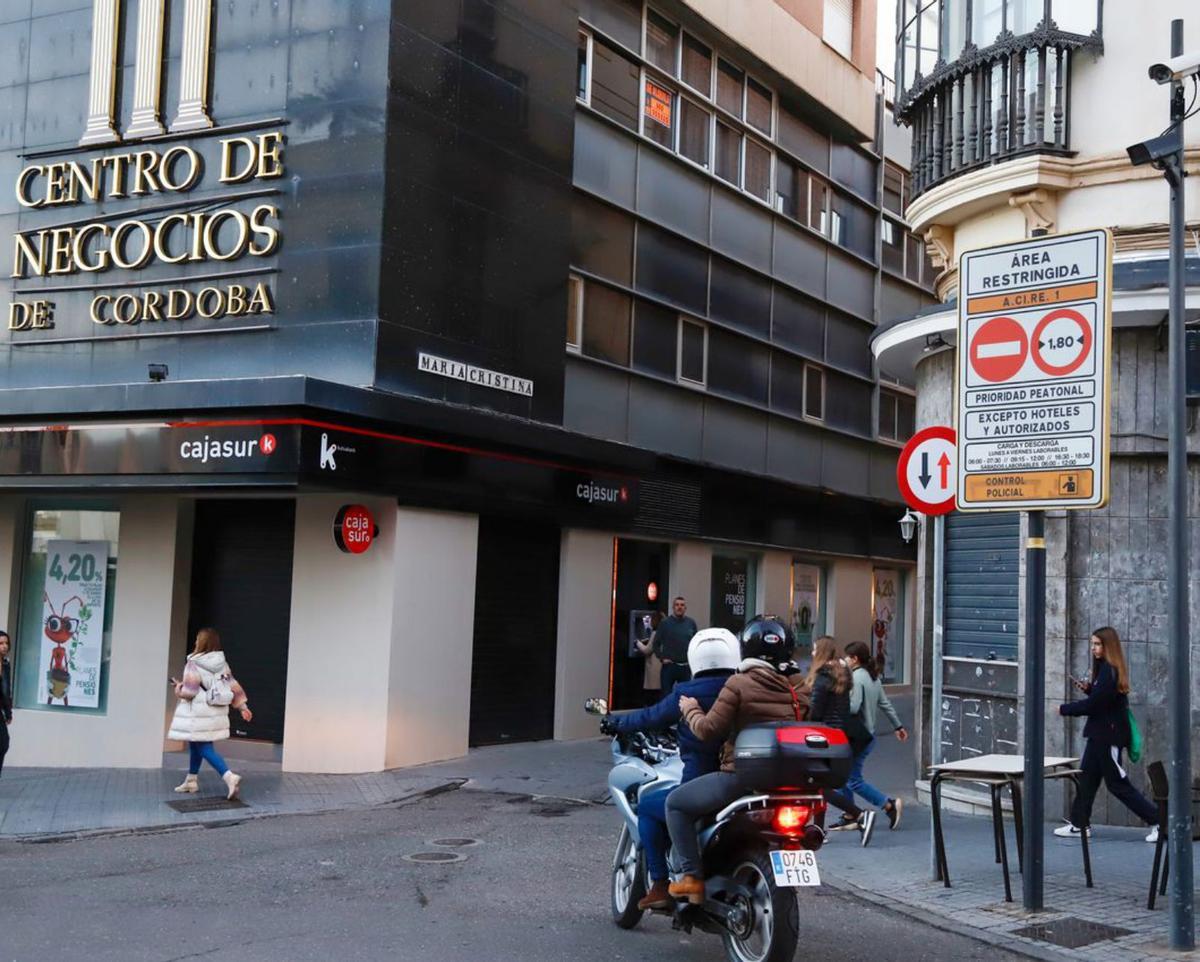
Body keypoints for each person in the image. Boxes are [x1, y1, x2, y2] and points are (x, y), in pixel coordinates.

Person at [666, 615, 810, 903]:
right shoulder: (800, 688)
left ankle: (691, 878)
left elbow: (708, 730)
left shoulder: (738, 683)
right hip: (790, 783)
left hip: (741, 779)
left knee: (676, 805)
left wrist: (691, 709)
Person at [604, 628, 739, 909]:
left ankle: (660, 884)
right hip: (747, 780)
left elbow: (651, 717)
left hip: (702, 782)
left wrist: (615, 723)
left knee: (649, 805)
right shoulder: (742, 686)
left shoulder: (687, 692)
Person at [1054, 627, 1157, 838]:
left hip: (1108, 737)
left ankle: (1158, 822)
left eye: (1098, 644)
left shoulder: (1109, 671)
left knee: (1117, 784)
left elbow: (1094, 705)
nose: (1093, 648)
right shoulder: (1105, 670)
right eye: (1092, 644)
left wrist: (1065, 709)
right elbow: (1103, 700)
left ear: (1108, 646)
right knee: (1087, 780)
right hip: (1098, 735)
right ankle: (1079, 823)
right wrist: (1090, 689)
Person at [805, 636, 875, 845]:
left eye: (814, 649)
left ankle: (860, 815)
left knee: (819, 787)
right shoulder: (842, 675)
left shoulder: (822, 678)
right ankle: (819, 830)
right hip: (838, 737)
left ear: (822, 652)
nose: (811, 653)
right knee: (821, 784)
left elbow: (816, 712)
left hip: (823, 737)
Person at [167, 627, 252, 800]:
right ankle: (191, 780)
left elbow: (190, 692)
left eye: (198, 639)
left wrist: (178, 688)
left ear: (202, 642)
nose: (195, 642)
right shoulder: (222, 664)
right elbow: (233, 685)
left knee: (203, 747)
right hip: (215, 712)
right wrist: (243, 707)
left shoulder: (193, 663)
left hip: (199, 713)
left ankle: (229, 777)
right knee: (195, 744)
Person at [844, 640, 908, 830]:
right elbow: (885, 704)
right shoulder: (873, 677)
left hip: (858, 736)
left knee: (852, 780)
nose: (845, 660)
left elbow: (854, 707)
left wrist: (837, 705)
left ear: (855, 659)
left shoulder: (856, 678)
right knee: (844, 776)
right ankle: (850, 814)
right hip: (868, 736)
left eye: (847, 657)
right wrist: (898, 726)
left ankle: (888, 805)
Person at [654, 597, 698, 692]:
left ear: (685, 608)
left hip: (685, 667)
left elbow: (696, 644)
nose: (679, 607)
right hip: (669, 667)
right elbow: (655, 644)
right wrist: (661, 658)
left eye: (682, 605)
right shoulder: (665, 623)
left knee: (684, 696)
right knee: (666, 696)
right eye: (677, 605)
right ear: (673, 607)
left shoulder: (691, 623)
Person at [634, 611, 665, 706]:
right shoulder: (665, 632)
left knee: (651, 698)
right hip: (661, 667)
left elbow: (647, 650)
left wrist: (637, 642)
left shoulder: (655, 633)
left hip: (653, 668)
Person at [0, 631, 12, 777]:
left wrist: (8, 713)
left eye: (6, 643)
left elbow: (6, 691)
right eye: (1, 643)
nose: (4, 646)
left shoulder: (6, 664)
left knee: (3, 743)